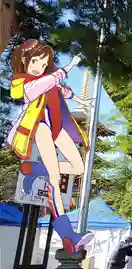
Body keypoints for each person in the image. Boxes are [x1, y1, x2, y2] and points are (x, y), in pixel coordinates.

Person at [8, 39, 94, 255]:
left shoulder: (48, 79)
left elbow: (60, 90)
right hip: (40, 127)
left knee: (78, 167)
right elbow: (34, 89)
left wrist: (74, 96)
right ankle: (68, 235)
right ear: (24, 62)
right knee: (55, 178)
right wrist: (65, 69)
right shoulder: (21, 83)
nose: (39, 66)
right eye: (35, 61)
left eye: (44, 62)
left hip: (56, 126)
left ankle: (35, 170)